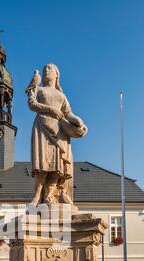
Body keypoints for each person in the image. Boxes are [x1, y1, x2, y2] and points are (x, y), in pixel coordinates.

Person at [27, 63, 87, 205]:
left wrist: (78, 121)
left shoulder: (62, 95)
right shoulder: (38, 89)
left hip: (60, 130)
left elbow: (68, 113)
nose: (45, 70)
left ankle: (50, 194)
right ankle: (37, 196)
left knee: (57, 163)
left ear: (56, 74)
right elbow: (31, 104)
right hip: (42, 126)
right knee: (42, 162)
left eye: (49, 68)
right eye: (44, 69)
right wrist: (51, 110)